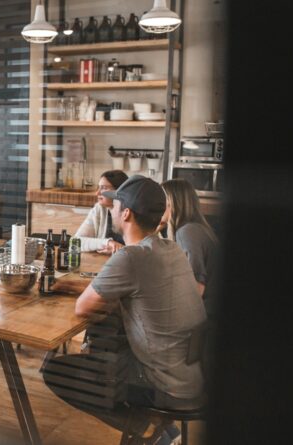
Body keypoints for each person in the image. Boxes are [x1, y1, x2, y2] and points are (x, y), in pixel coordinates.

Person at [43, 175, 206, 444]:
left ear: (127, 213)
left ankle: (145, 426)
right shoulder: (170, 248)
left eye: (116, 205)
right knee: (108, 335)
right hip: (190, 375)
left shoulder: (130, 257)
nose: (112, 209)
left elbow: (83, 308)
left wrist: (72, 290)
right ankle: (162, 430)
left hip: (162, 385)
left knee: (56, 372)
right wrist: (68, 285)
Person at [162, 178, 219, 316]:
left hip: (207, 314)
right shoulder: (196, 227)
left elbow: (196, 289)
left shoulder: (187, 232)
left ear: (172, 203)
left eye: (160, 200)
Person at [74, 169, 128, 253]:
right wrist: (107, 243)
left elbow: (140, 249)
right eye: (98, 187)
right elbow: (76, 242)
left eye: (103, 188)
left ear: (119, 190)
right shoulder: (99, 209)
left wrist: (119, 250)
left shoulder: (131, 212)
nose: (97, 193)